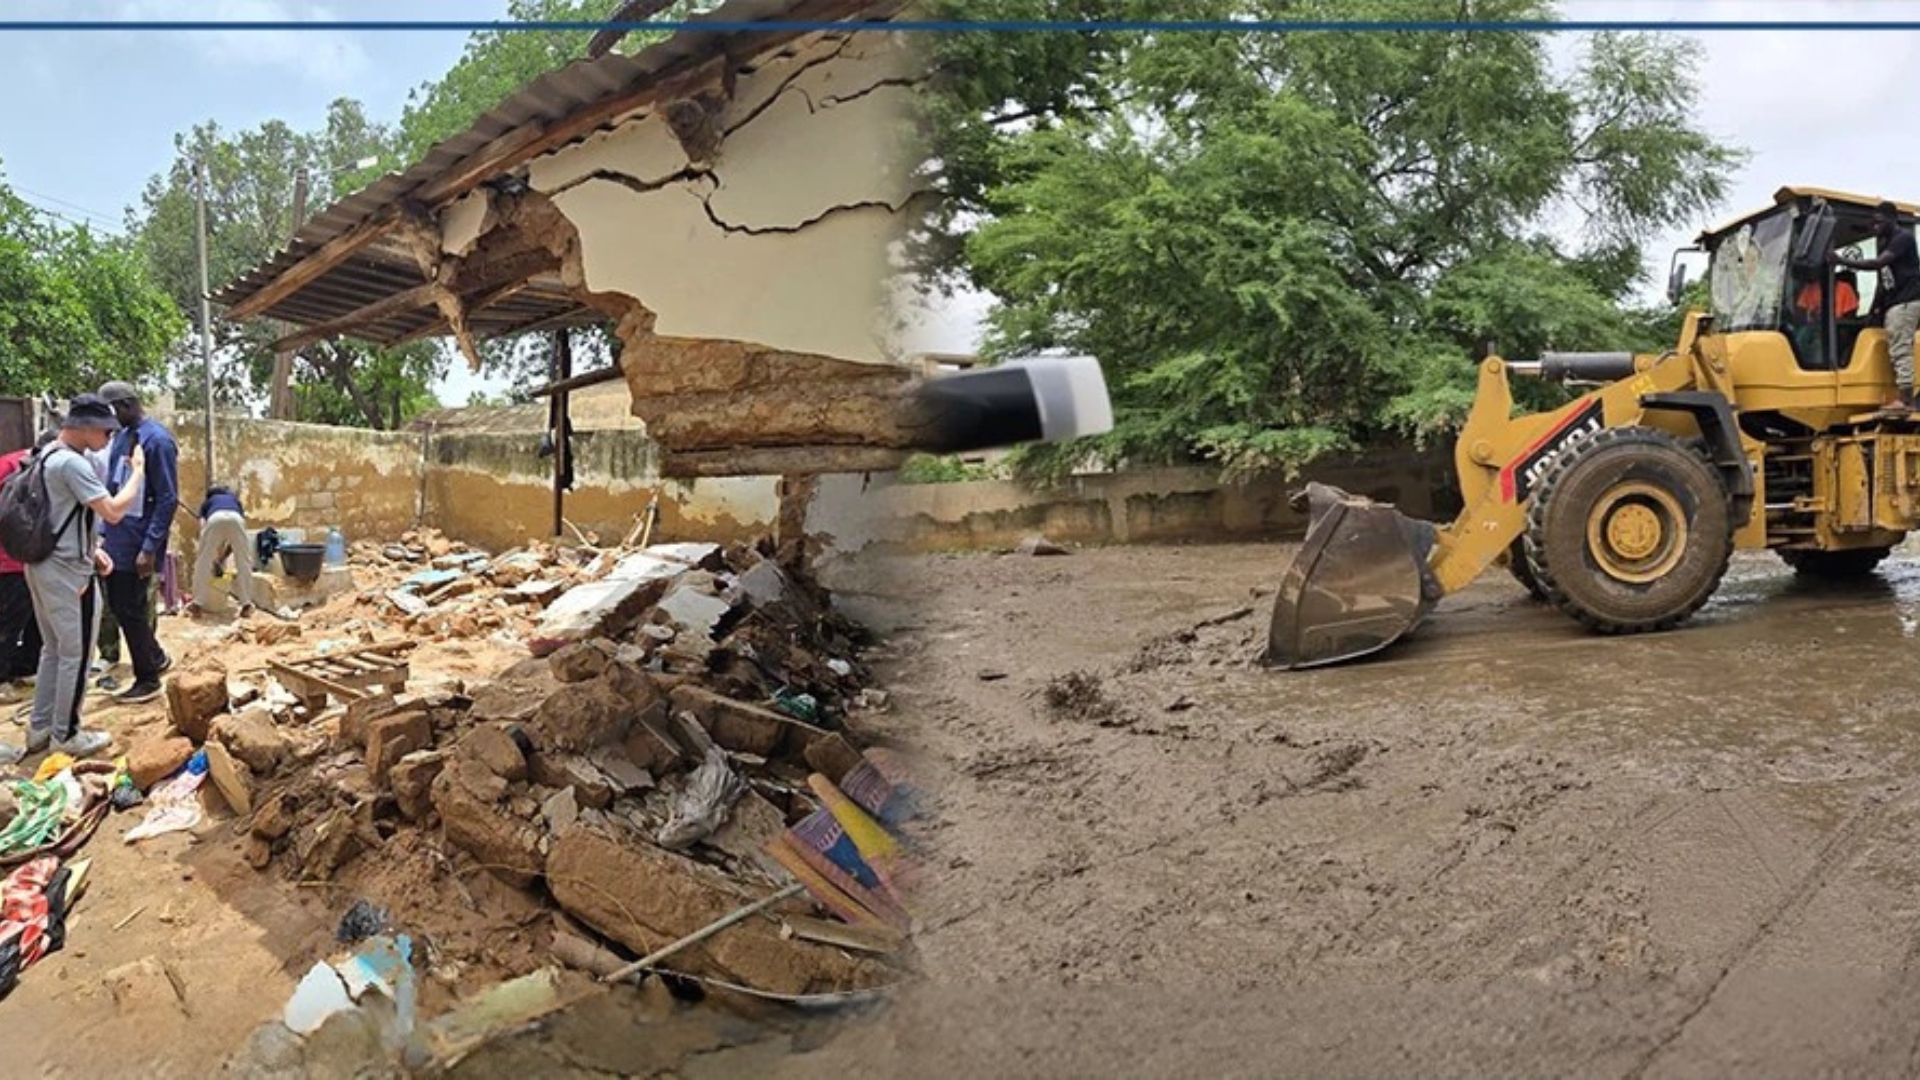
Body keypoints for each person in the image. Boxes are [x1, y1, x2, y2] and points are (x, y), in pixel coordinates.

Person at [1, 395, 147, 765]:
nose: (108, 439)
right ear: (84, 427)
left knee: (53, 650)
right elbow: (113, 511)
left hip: (41, 563)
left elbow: (60, 513)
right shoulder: (71, 463)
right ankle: (66, 734)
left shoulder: (47, 453)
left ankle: (40, 728)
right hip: (67, 572)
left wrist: (90, 549)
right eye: (104, 431)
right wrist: (138, 474)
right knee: (77, 654)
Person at [94, 381, 177, 705]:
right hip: (117, 536)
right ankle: (155, 657)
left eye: (111, 411)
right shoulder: (121, 439)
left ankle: (147, 678)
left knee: (129, 607)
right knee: (120, 603)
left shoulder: (156, 441)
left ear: (126, 405)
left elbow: (168, 498)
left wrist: (149, 547)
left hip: (137, 542)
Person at [1834, 201, 1920, 413]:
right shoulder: (1885, 241)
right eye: (1873, 223)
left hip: (1907, 300)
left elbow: (1879, 263)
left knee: (1900, 347)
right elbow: (1884, 283)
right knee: (1893, 346)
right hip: (1894, 302)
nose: (1876, 226)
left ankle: (1906, 401)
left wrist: (1841, 260)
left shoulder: (1903, 239)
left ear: (1892, 219)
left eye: (1880, 222)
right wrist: (1874, 312)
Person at [0, 430, 58, 685]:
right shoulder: (13, 467)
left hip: (31, 557)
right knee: (10, 621)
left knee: (37, 616)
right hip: (11, 559)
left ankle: (24, 667)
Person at [190, 484, 256, 615]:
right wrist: (223, 556)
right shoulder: (235, 501)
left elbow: (203, 529)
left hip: (214, 518)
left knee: (203, 561)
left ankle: (197, 604)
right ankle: (246, 604)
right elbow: (235, 540)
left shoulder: (207, 503)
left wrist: (212, 554)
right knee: (243, 561)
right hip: (237, 519)